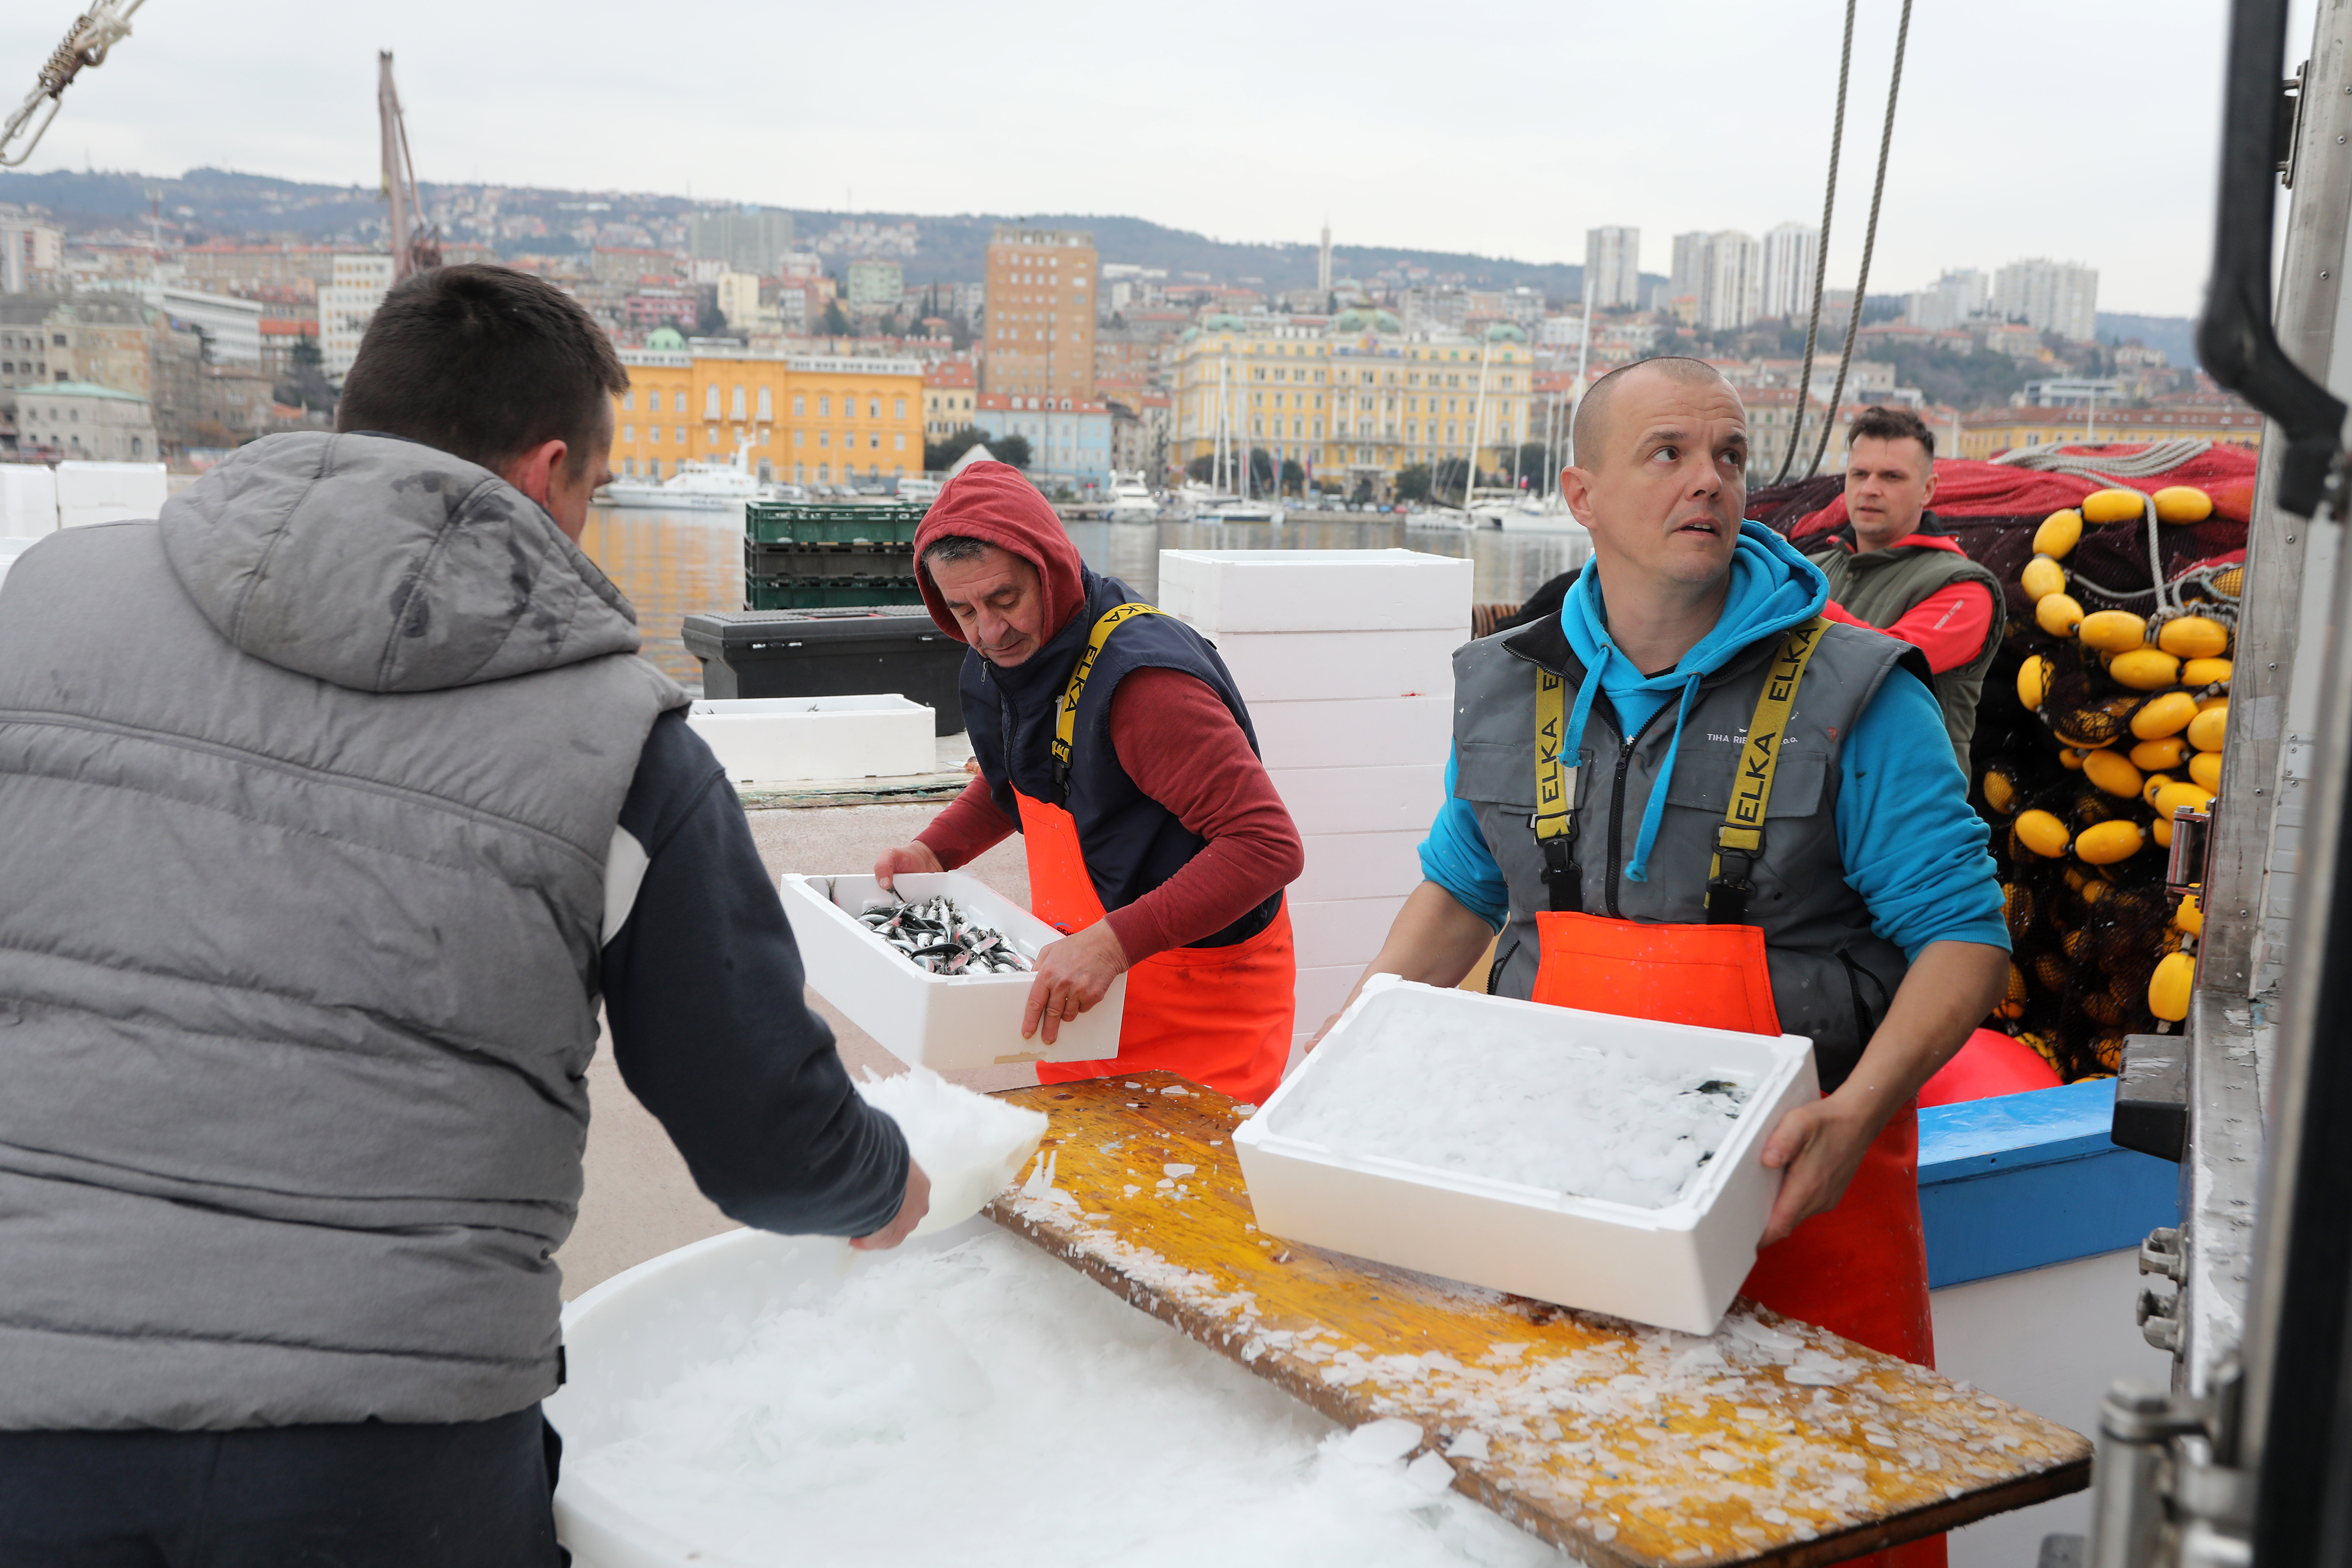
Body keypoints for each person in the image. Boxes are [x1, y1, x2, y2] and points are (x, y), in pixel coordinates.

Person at [0, 265, 926, 1563]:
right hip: (389, 1451)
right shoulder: (623, 745)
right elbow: (756, 1122)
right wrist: (886, 1185)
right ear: (549, 473)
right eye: (597, 493)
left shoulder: (38, 610)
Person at [1336, 359, 2006, 1566]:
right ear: (1579, 494)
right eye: (1667, 454)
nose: (1708, 480)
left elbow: (1962, 939)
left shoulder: (1859, 692)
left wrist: (1856, 1109)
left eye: (1729, 457)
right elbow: (1459, 890)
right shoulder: (1507, 686)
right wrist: (1351, 1051)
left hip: (1800, 1227)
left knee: (1821, 1531)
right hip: (1562, 1220)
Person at [873, 462, 1304, 1105]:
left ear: (1048, 567)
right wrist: (934, 850)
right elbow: (1020, 779)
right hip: (1085, 991)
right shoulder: (1004, 661)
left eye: (1004, 599)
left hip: (1200, 1002)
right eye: (962, 610)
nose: (989, 632)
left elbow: (1268, 846)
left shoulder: (1147, 690)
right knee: (1081, 1185)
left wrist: (1114, 944)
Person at [1810, 405, 2006, 774]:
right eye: (1859, 474)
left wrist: (1799, 602)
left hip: (1912, 811)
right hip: (1812, 808)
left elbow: (1888, 663)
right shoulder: (1815, 568)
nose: (1870, 489)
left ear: (1928, 490)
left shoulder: (1967, 589)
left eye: (1892, 476)